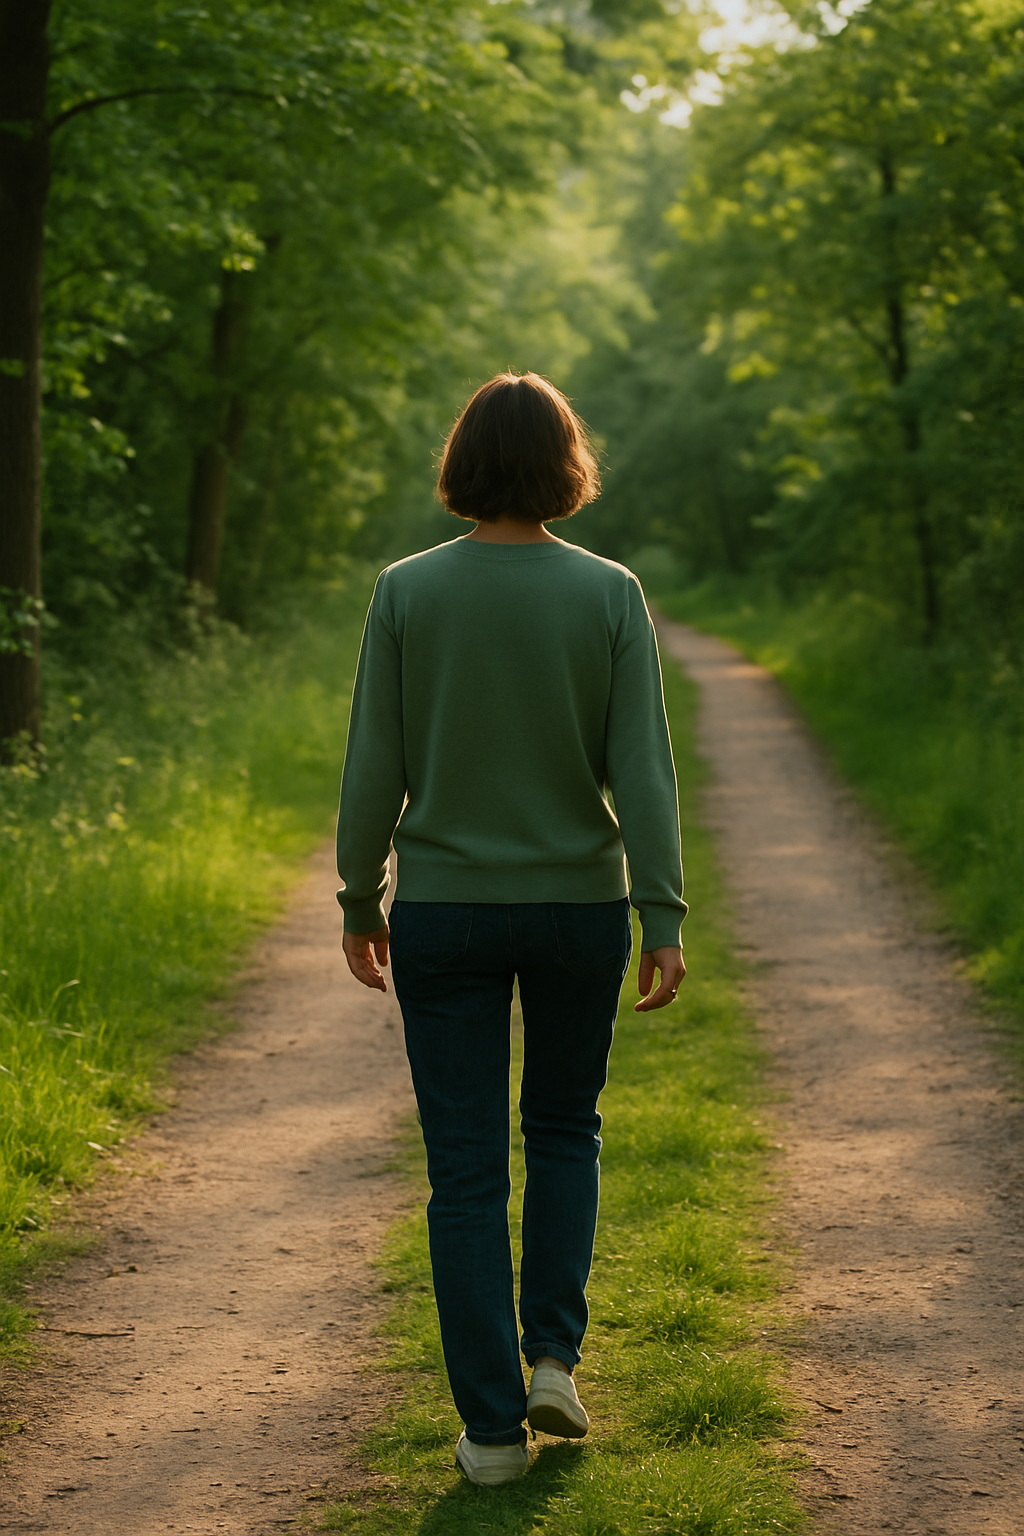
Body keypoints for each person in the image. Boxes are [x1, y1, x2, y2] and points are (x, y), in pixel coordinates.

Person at [336, 372, 686, 1486]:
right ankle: (553, 1360)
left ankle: (491, 1434)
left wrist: (359, 897)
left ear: (463, 464)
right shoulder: (610, 593)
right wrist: (661, 910)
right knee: (566, 1130)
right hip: (580, 908)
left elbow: (373, 764)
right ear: (565, 466)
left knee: (466, 1171)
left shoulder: (406, 591)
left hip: (444, 912)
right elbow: (644, 769)